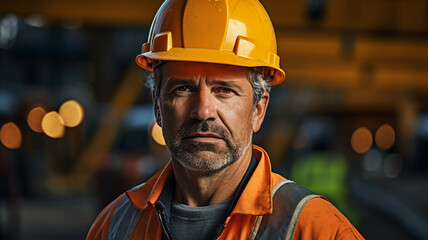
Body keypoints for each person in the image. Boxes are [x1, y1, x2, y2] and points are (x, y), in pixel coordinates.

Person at [87, 0, 364, 239]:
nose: (203, 110)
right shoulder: (113, 226)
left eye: (224, 90)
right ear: (157, 106)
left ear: (258, 110)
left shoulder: (319, 230)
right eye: (183, 88)